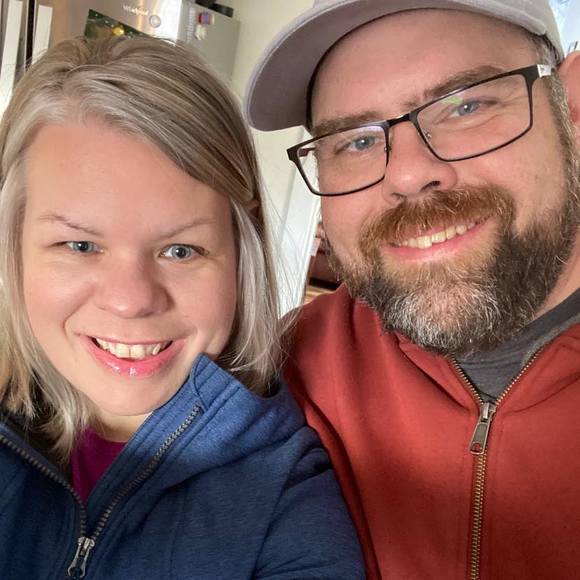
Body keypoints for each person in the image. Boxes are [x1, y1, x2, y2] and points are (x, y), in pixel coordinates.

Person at [0, 35, 365, 579]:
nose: (130, 300)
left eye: (180, 250)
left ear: (239, 256)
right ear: (14, 248)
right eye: (80, 245)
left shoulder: (286, 507)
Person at [244, 0, 580, 578]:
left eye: (465, 105)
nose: (406, 174)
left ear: (571, 105)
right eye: (354, 141)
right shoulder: (283, 373)